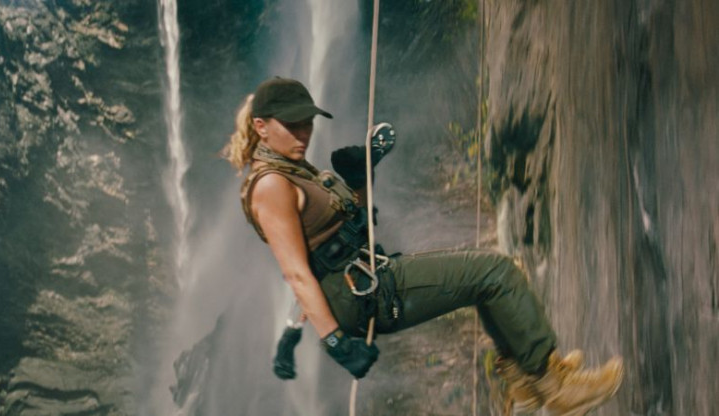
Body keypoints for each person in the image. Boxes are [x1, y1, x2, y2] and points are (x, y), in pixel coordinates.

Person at [221, 77, 624, 415]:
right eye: (292, 125)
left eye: (307, 123)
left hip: (367, 277)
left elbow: (346, 231)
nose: (303, 133)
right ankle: (553, 385)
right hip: (361, 295)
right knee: (496, 273)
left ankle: (524, 379)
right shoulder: (270, 185)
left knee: (488, 280)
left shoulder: (293, 170)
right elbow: (296, 271)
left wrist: (360, 177)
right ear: (261, 126)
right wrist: (336, 343)